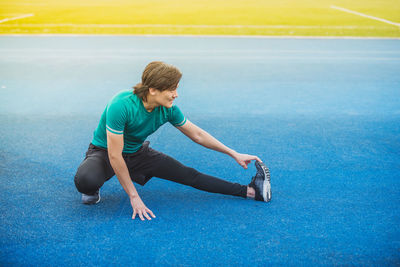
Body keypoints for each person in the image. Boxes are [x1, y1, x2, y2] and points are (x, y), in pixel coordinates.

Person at [74, 61, 271, 221]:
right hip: (105, 152)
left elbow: (198, 135)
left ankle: (251, 191)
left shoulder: (168, 109)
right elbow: (115, 155)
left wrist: (233, 153)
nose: (176, 95)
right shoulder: (121, 104)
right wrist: (134, 197)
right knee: (86, 180)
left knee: (189, 175)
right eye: (171, 90)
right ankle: (93, 186)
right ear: (152, 90)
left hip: (137, 153)